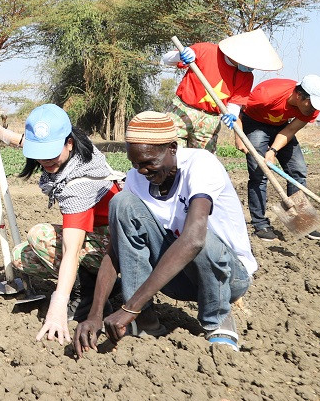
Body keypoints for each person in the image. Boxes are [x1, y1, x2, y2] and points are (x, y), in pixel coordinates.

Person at [76, 112, 255, 353]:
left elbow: (194, 240)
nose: (142, 171)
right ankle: (146, 320)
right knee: (122, 203)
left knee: (198, 238)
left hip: (227, 276)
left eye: (149, 162)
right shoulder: (135, 178)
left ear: (172, 148)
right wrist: (95, 314)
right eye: (136, 164)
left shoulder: (201, 164)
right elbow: (115, 251)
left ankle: (217, 318)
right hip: (176, 279)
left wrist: (129, 307)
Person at [0, 105, 120, 341]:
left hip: (115, 248)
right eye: (40, 152)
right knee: (21, 256)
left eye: (51, 153)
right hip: (98, 236)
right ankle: (97, 284)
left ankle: (87, 296)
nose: (45, 160)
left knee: (40, 236)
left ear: (69, 143)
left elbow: (71, 251)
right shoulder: (75, 149)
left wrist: (57, 304)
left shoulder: (80, 182)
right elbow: (27, 142)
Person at [234, 75, 320, 241]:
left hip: (282, 127)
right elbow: (237, 109)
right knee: (259, 173)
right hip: (254, 123)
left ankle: (301, 222)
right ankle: (260, 223)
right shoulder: (266, 94)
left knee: (298, 170)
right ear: (299, 96)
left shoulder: (311, 109)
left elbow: (291, 129)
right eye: (312, 104)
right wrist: (238, 135)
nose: (314, 109)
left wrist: (273, 150)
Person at [162, 28, 282, 150]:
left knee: (202, 162)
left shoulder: (246, 77)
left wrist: (231, 115)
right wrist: (179, 55)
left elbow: (235, 103)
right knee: (170, 153)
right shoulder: (206, 50)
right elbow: (166, 59)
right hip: (182, 111)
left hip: (210, 121)